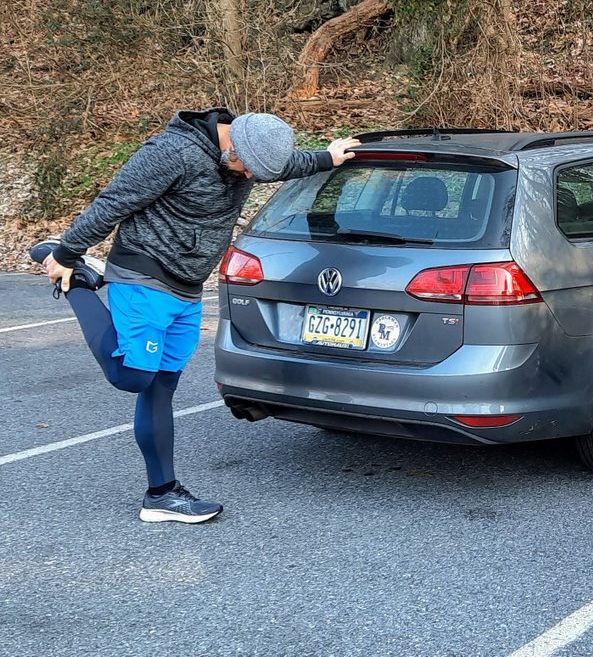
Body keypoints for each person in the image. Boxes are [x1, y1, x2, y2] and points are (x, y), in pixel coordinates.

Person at [31, 108, 360, 524]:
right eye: (247, 167)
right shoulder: (172, 153)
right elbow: (113, 201)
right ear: (232, 144)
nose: (249, 177)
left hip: (188, 286)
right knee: (132, 376)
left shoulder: (248, 153)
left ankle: (161, 494)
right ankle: (79, 283)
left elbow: (284, 163)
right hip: (144, 272)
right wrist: (66, 254)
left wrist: (327, 157)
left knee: (161, 386)